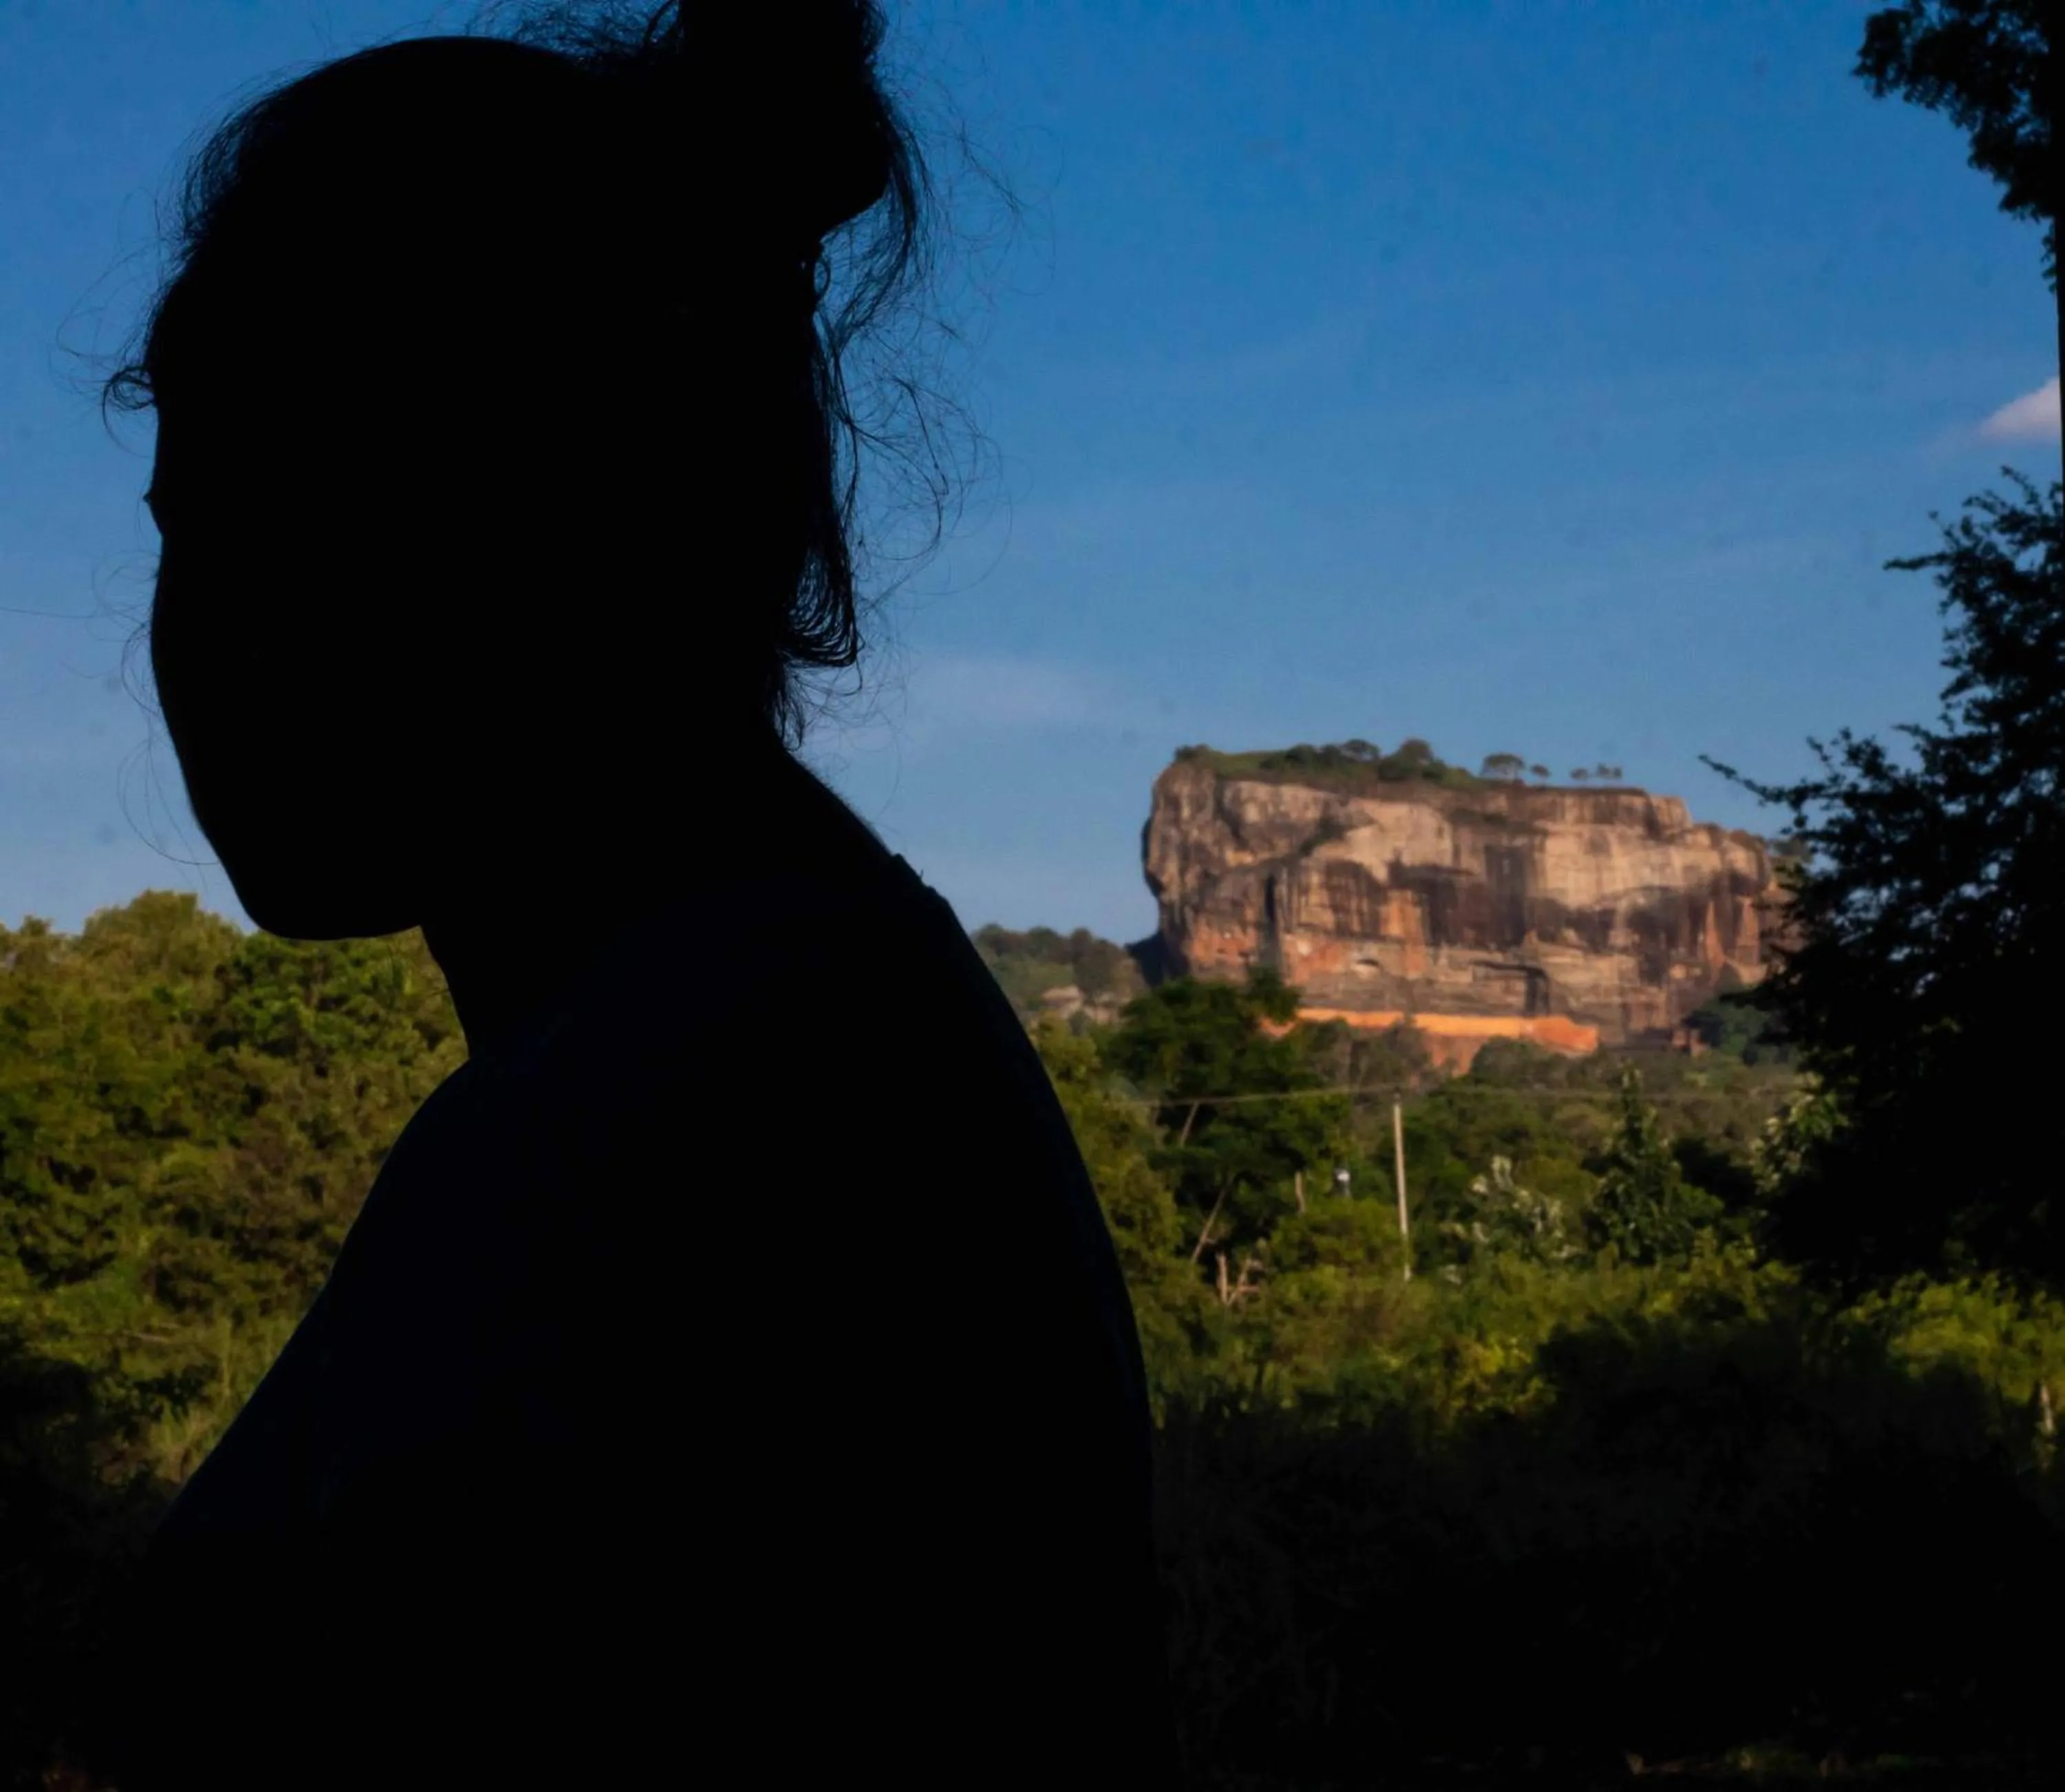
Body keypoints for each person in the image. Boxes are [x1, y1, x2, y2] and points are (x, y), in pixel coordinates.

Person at [94, 5, 1174, 1786]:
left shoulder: (676, 1114)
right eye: (180, 518)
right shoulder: (764, 1024)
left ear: (545, 506)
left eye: (270, 501)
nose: (198, 629)